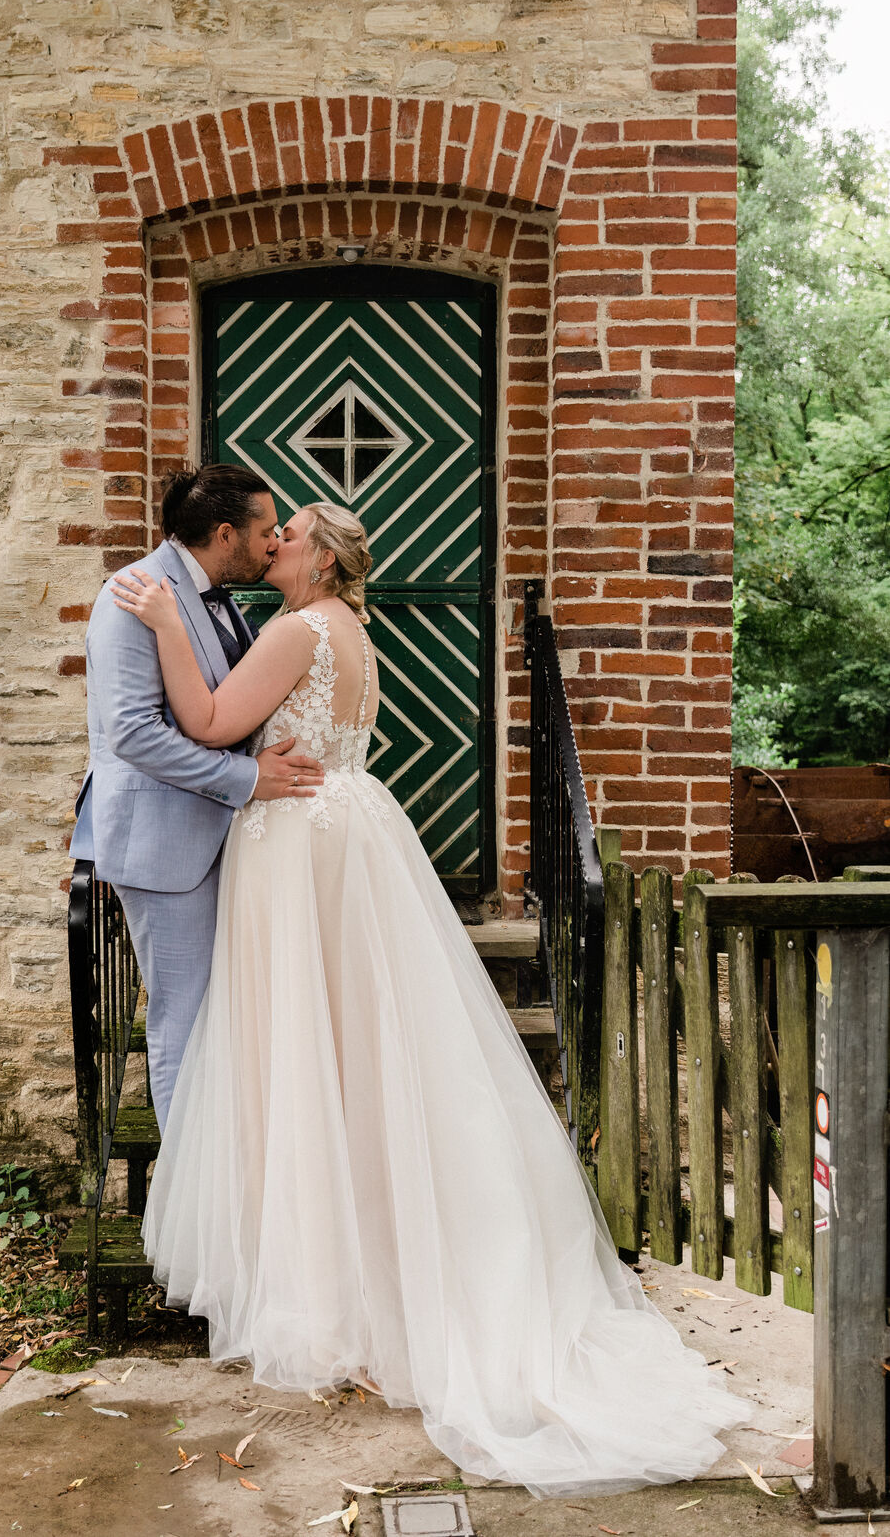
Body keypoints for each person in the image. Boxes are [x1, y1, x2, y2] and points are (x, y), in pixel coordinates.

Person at [109, 501, 750, 1496]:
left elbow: (204, 723)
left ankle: (333, 1290)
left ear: (318, 556)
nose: (271, 544)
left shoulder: (292, 627)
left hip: (300, 847)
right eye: (264, 529)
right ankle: (366, 1267)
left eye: (288, 534)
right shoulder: (349, 630)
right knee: (357, 1050)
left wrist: (158, 625)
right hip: (349, 829)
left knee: (306, 1050)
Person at [69, 463, 324, 1132]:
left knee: (224, 1016)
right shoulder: (131, 596)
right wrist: (247, 779)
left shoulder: (218, 596)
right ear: (224, 533)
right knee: (184, 1018)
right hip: (163, 847)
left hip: (216, 837)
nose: (275, 542)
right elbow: (131, 733)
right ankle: (188, 1217)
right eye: (267, 531)